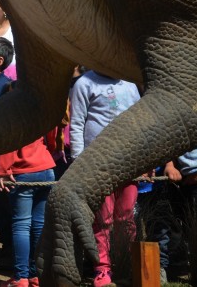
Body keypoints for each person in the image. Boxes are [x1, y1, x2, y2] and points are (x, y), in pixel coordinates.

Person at [69, 68, 141, 287]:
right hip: (97, 163)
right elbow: (77, 122)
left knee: (126, 216)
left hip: (129, 162)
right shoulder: (85, 83)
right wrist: (79, 161)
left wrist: (144, 159)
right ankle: (102, 269)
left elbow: (141, 121)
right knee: (103, 218)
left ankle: (125, 264)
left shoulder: (130, 82)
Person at [0, 124, 58, 287]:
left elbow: (10, 137)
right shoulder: (44, 108)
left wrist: (3, 169)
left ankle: (20, 278)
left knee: (21, 225)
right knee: (38, 225)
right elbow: (52, 136)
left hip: (23, 170)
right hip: (46, 168)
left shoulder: (16, 107)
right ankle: (35, 276)